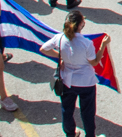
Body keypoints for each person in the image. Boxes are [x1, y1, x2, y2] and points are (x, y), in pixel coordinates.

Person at [41, 9, 111, 137]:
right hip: (86, 83)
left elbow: (44, 49)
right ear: (80, 25)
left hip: (67, 81)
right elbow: (94, 62)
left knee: (67, 110)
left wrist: (60, 56)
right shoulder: (86, 43)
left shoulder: (60, 38)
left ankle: (70, 134)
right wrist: (103, 46)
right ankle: (90, 135)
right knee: (87, 112)